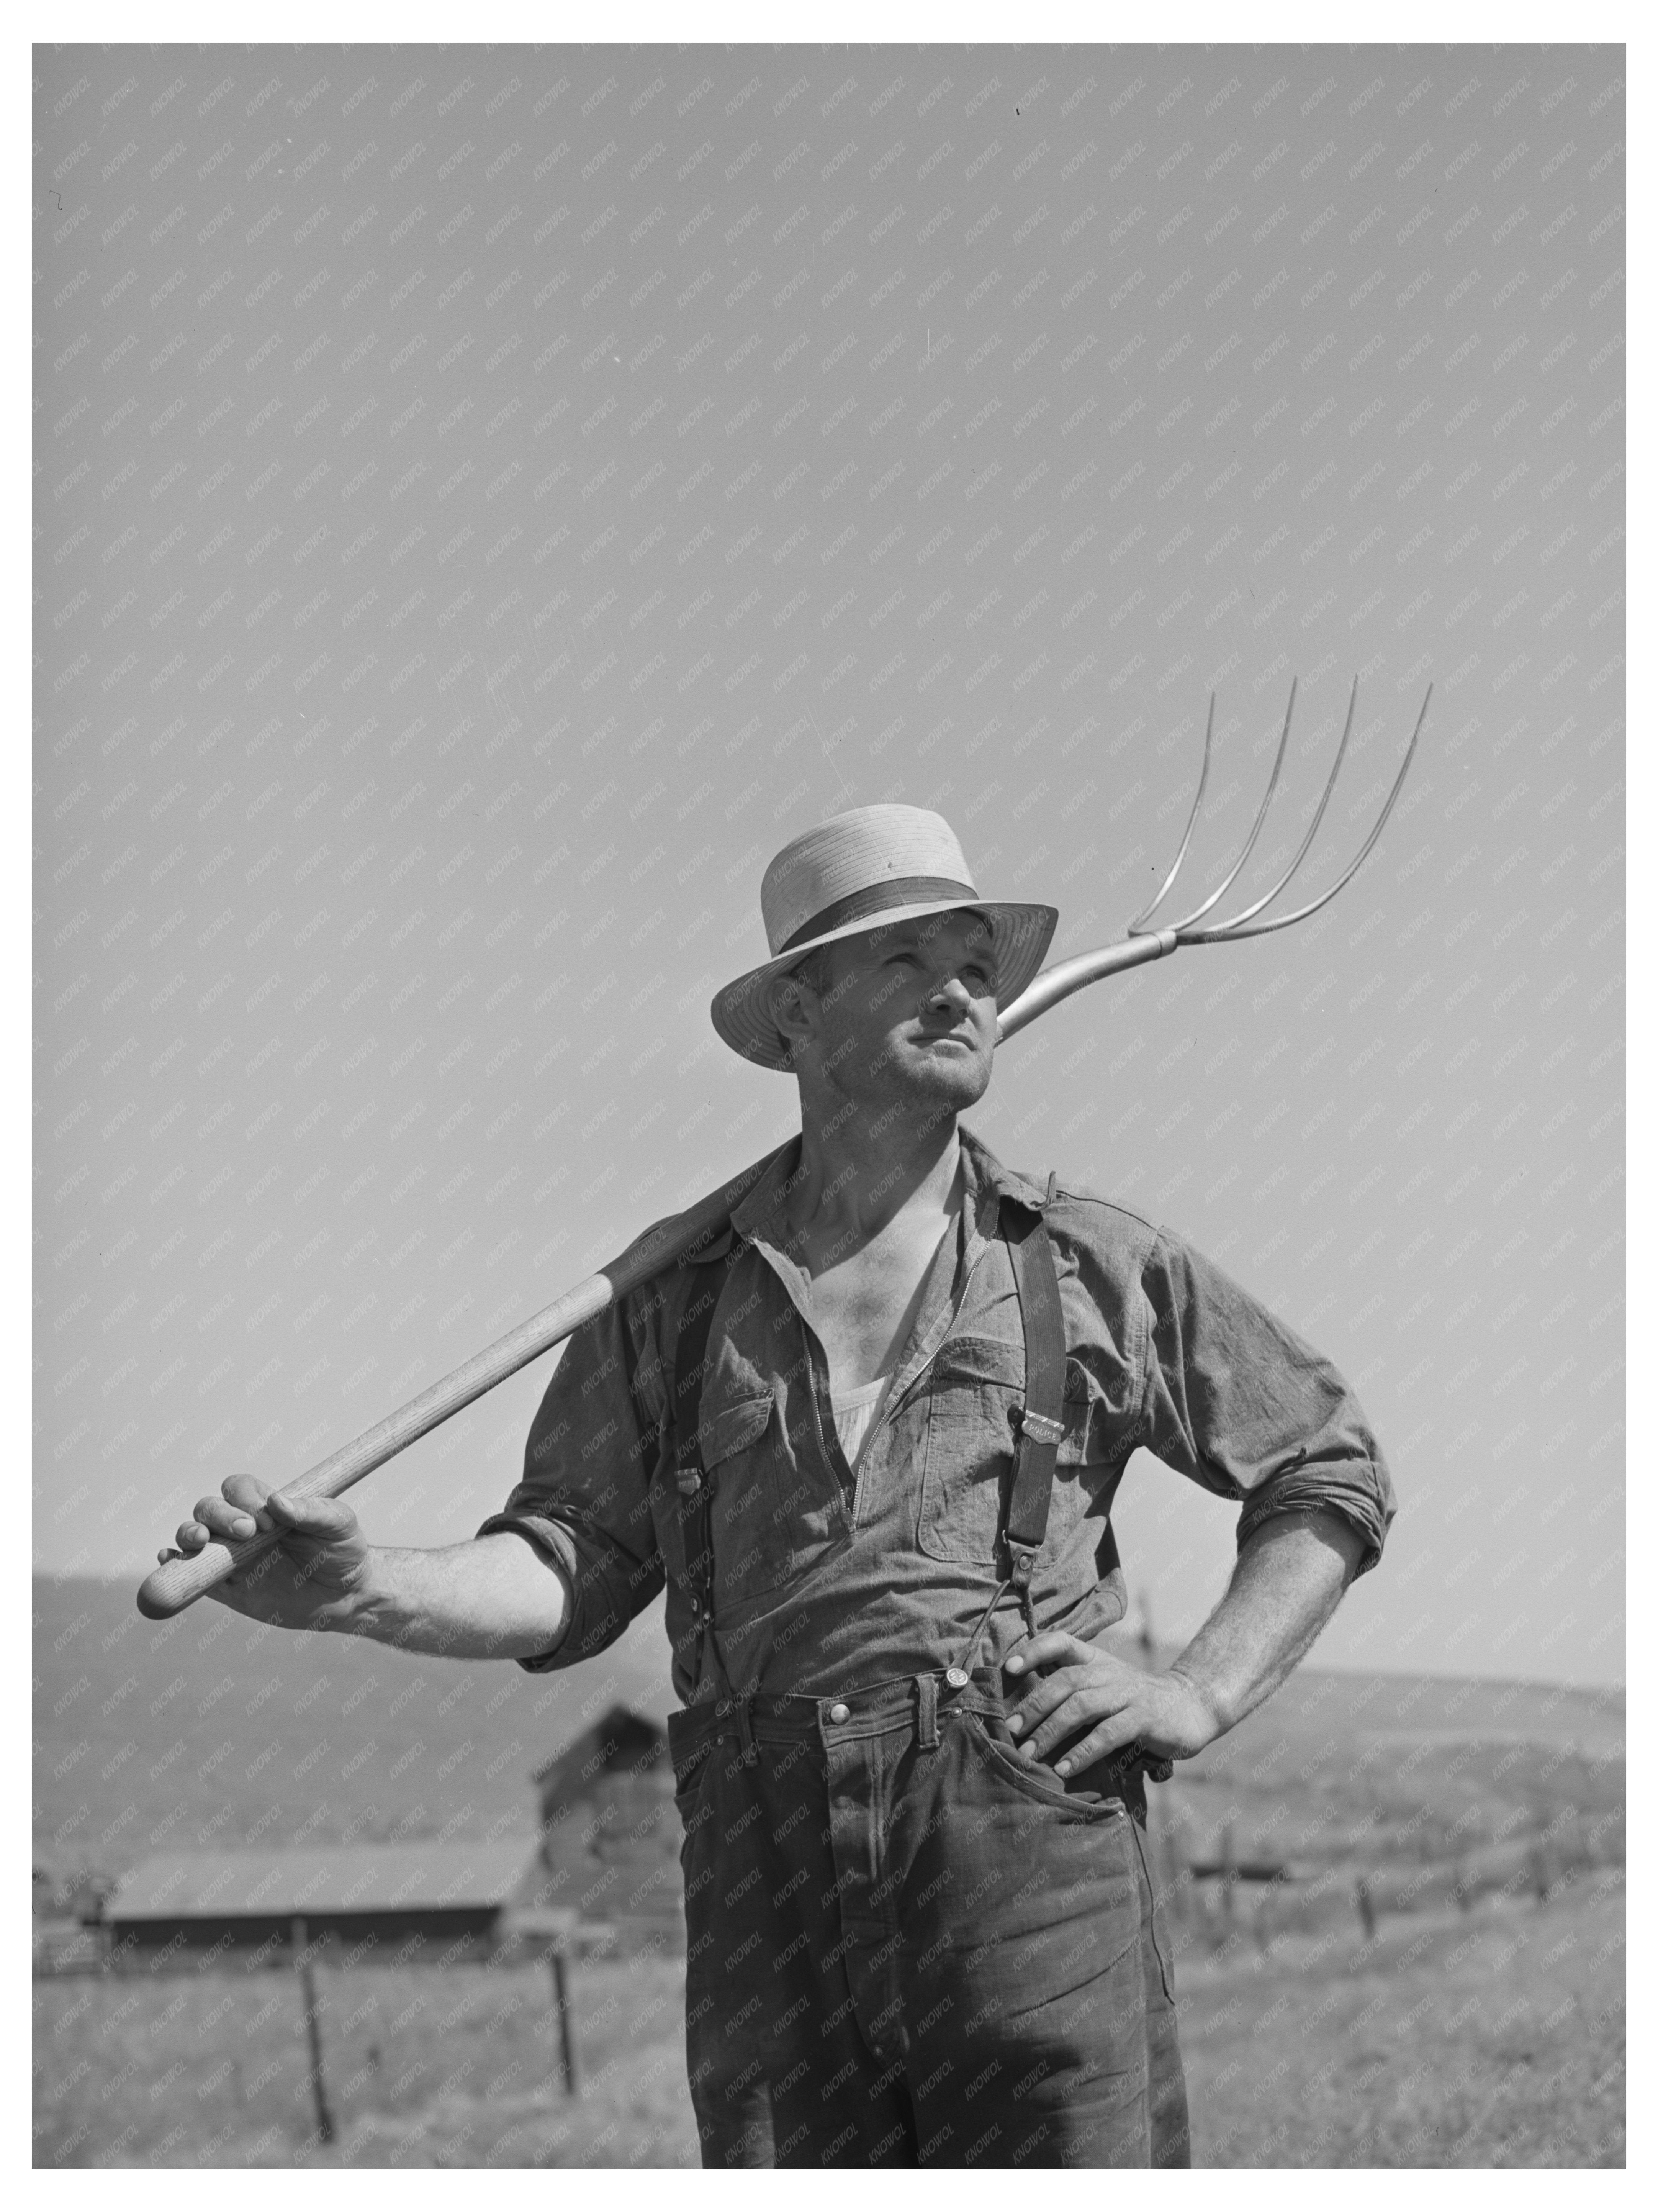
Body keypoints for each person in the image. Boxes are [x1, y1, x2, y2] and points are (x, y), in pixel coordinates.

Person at [175, 803, 1394, 2168]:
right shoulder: (667, 1299)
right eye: (905, 961)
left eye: (976, 964)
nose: (959, 991)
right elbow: (569, 1565)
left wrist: (1199, 1691)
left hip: (1021, 1831)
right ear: (797, 1015)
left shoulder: (1089, 1266)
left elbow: (1324, 1466)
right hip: (763, 1859)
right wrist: (361, 1589)